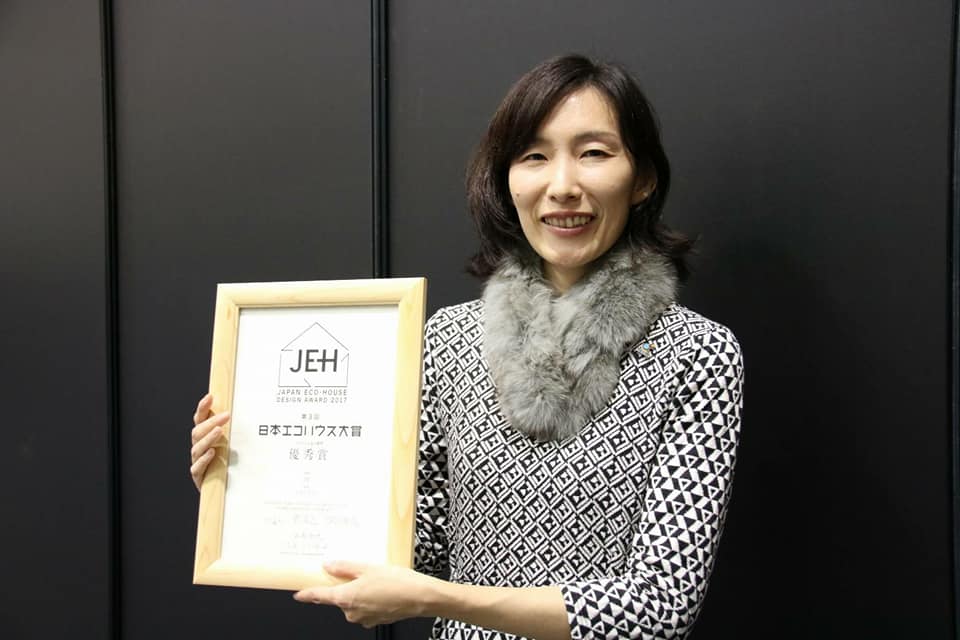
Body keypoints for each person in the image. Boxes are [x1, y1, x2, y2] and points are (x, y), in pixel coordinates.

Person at [190, 54, 743, 640]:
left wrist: (440, 598)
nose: (562, 186)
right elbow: (418, 547)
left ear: (643, 178)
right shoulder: (449, 339)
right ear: (506, 179)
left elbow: (659, 607)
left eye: (594, 153)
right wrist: (252, 484)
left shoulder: (698, 354)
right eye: (534, 157)